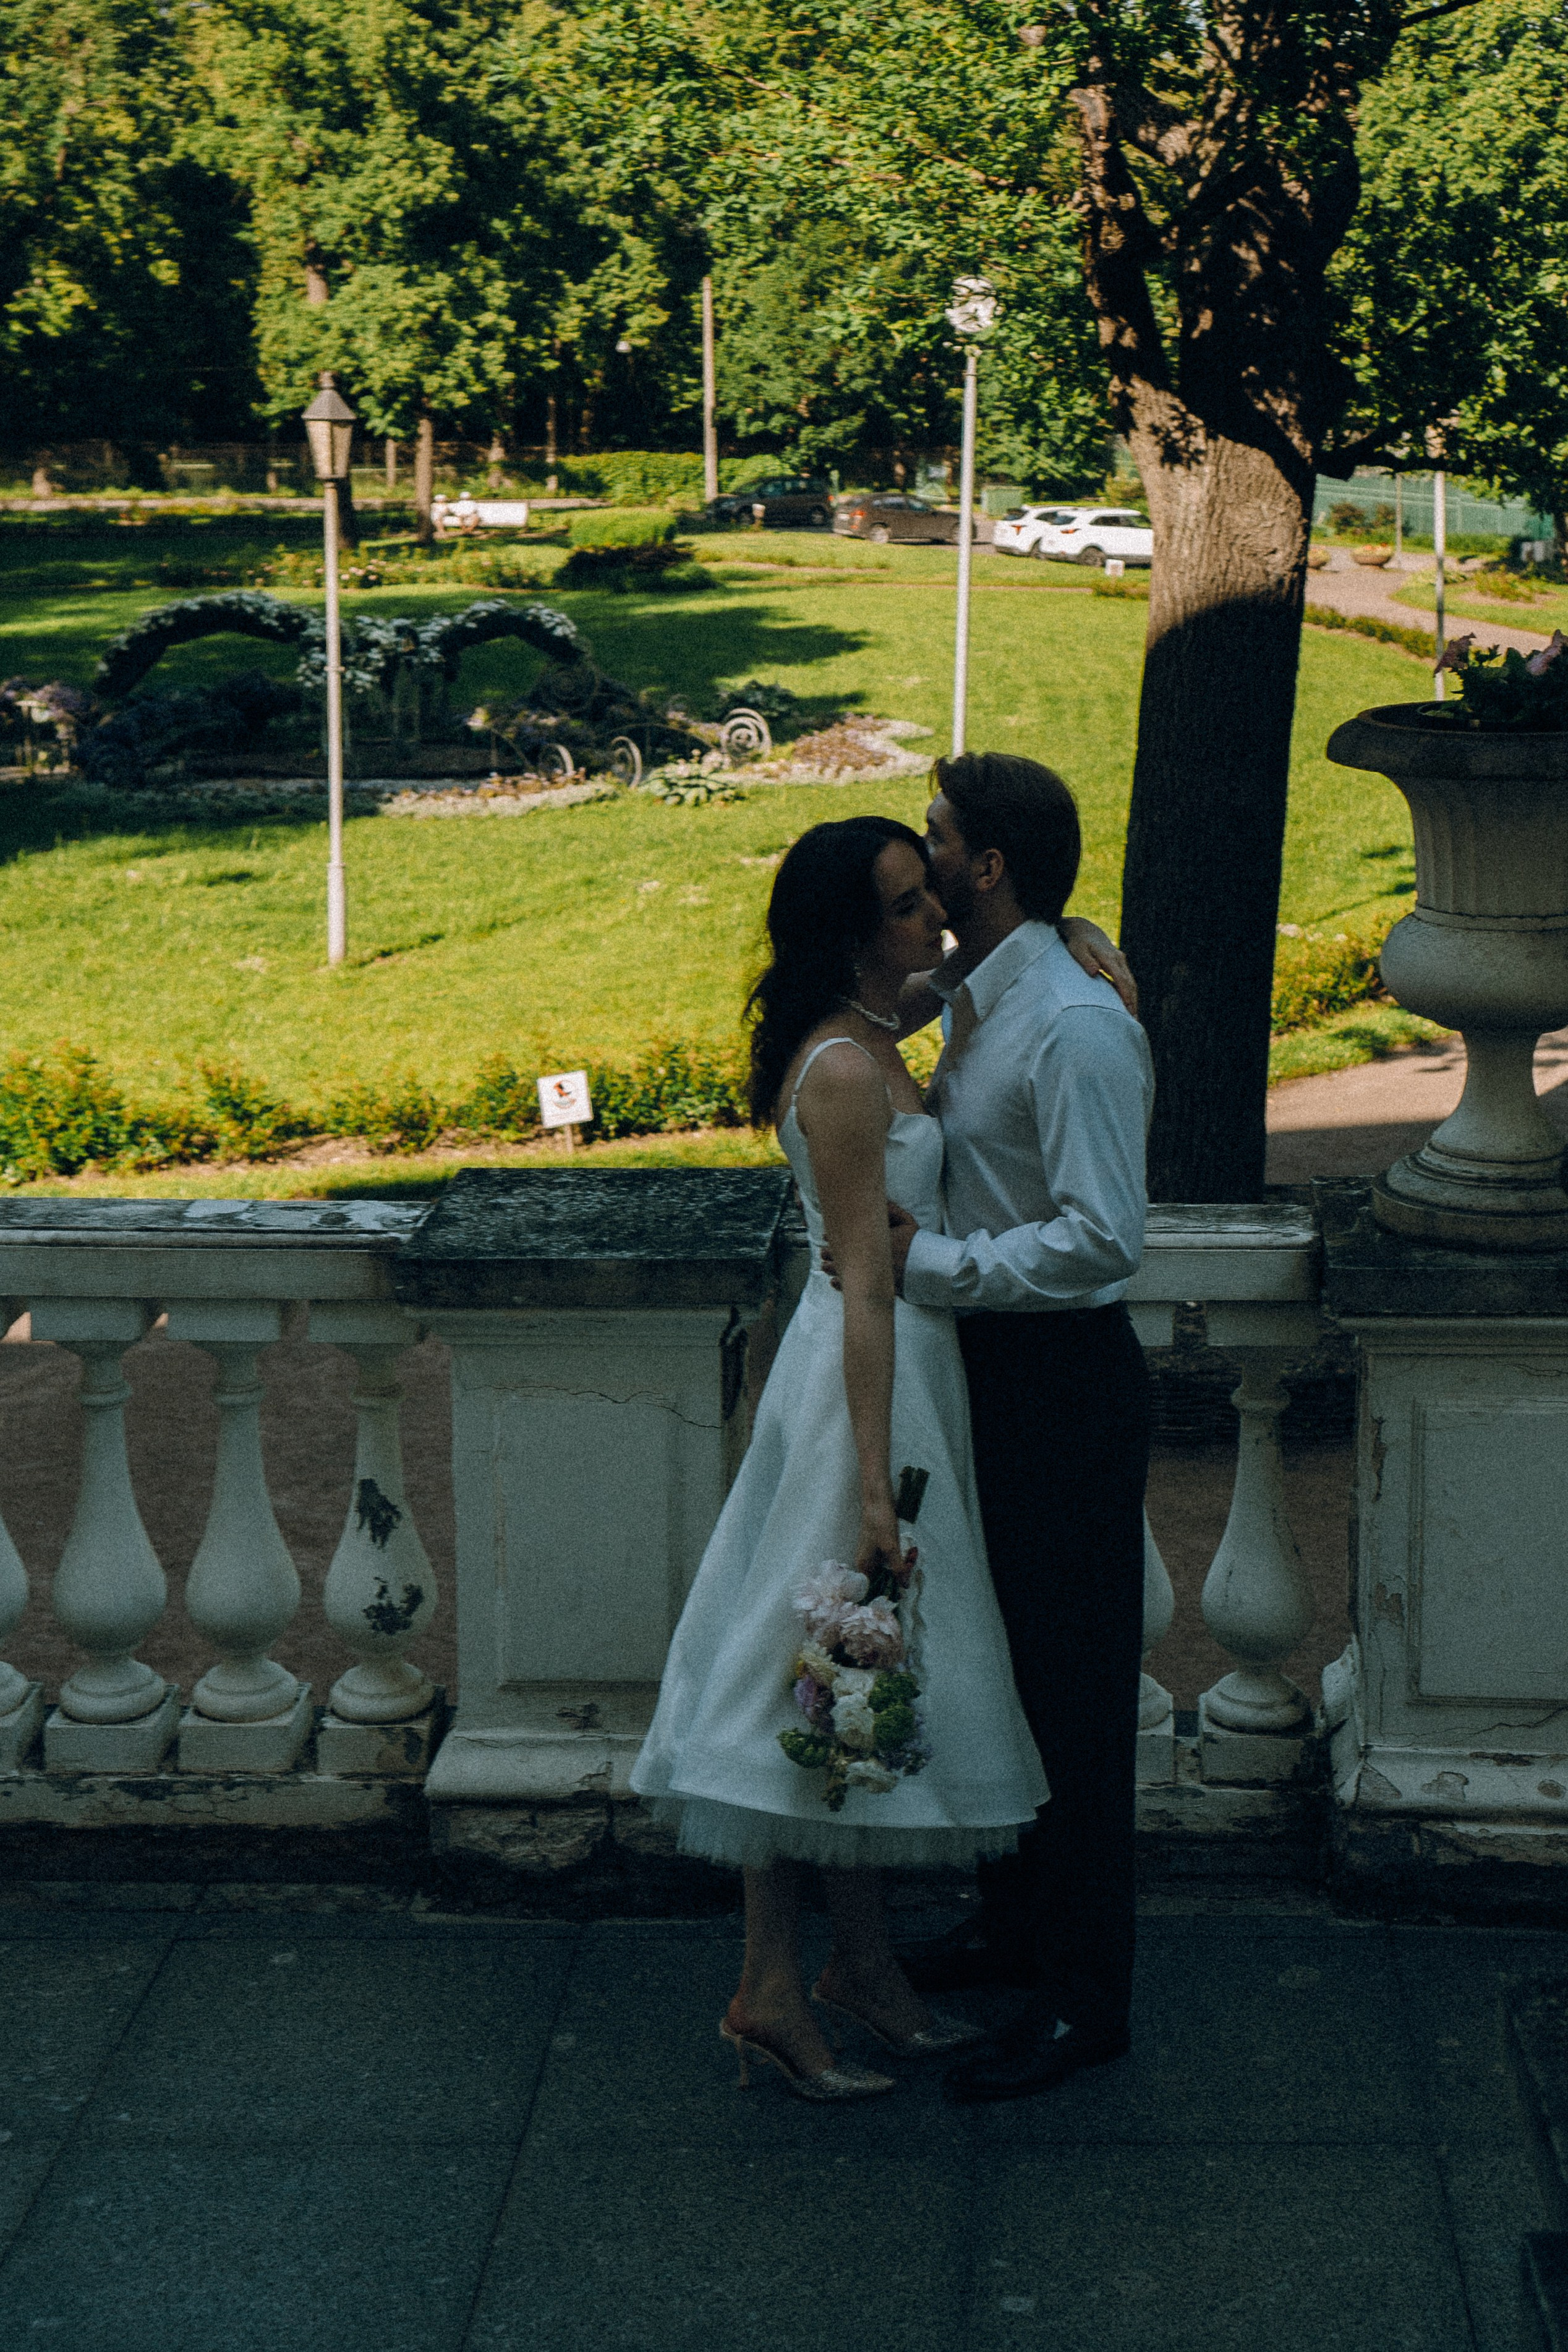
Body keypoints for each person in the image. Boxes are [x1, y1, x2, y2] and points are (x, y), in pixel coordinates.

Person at [630, 816, 1050, 2102]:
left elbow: (966, 986)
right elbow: (865, 1287)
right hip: (862, 1389)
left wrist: (1068, 942)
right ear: (850, 932)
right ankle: (769, 1985)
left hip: (892, 1375)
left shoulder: (876, 1030)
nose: (935, 923)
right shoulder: (847, 1072)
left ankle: (858, 1968)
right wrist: (872, 1484)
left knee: (859, 1685)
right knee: (818, 1672)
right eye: (907, 907)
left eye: (930, 897)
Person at [884, 752, 1154, 2105]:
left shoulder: (1073, 1025)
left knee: (1073, 1693)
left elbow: (1106, 1240)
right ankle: (1010, 1925)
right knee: (996, 1665)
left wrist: (922, 1265)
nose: (919, 851)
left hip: (1058, 1381)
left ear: (983, 866)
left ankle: (1081, 2000)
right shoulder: (986, 995)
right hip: (984, 1374)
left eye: (933, 836)